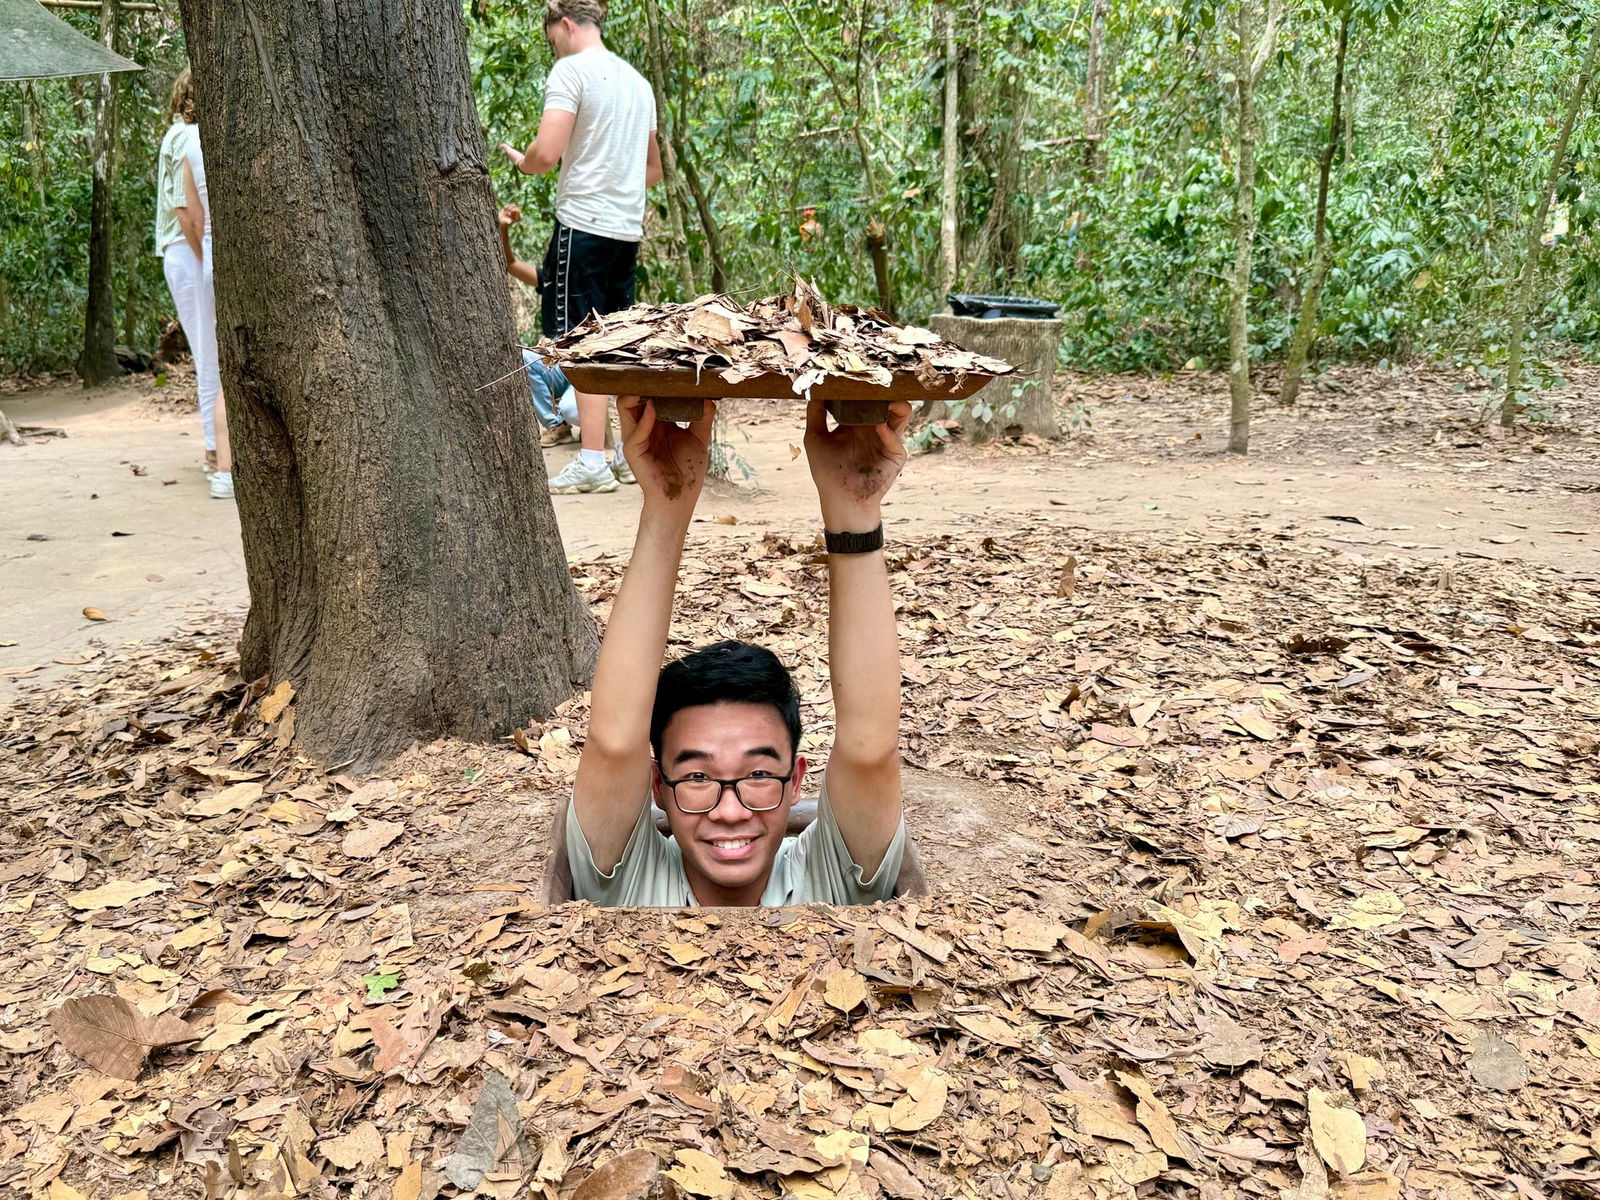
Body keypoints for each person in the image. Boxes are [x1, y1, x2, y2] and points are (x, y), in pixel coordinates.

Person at [563, 396, 915, 907]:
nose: (730, 812)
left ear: (796, 781)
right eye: (697, 777)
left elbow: (870, 747)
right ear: (657, 787)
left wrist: (854, 510)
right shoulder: (626, 878)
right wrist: (666, 504)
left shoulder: (829, 875)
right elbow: (615, 742)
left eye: (758, 774)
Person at [500, 0, 662, 495]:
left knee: (581, 341)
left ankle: (592, 459)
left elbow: (546, 154)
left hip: (584, 225)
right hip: (625, 230)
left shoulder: (571, 71)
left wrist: (522, 161)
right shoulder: (638, 83)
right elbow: (653, 169)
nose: (555, 50)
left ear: (565, 25)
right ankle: (628, 456)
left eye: (553, 41)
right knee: (619, 341)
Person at [155, 68, 232, 500]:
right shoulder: (192, 136)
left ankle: (213, 448)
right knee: (209, 353)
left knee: (208, 352)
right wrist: (207, 257)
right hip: (190, 247)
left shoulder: (175, 134)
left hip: (181, 249)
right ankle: (214, 451)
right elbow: (186, 211)